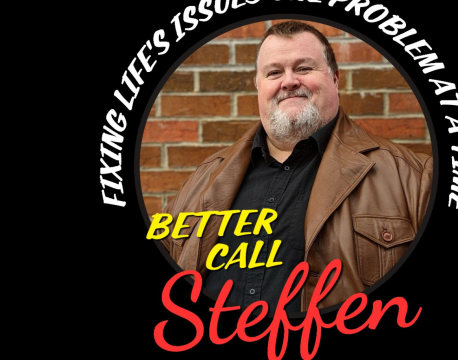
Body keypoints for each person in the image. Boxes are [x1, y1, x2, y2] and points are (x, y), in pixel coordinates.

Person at [158, 21, 432, 312]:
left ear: (335, 79)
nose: (288, 81)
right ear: (258, 86)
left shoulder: (414, 179)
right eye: (274, 72)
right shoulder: (202, 180)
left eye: (303, 68)